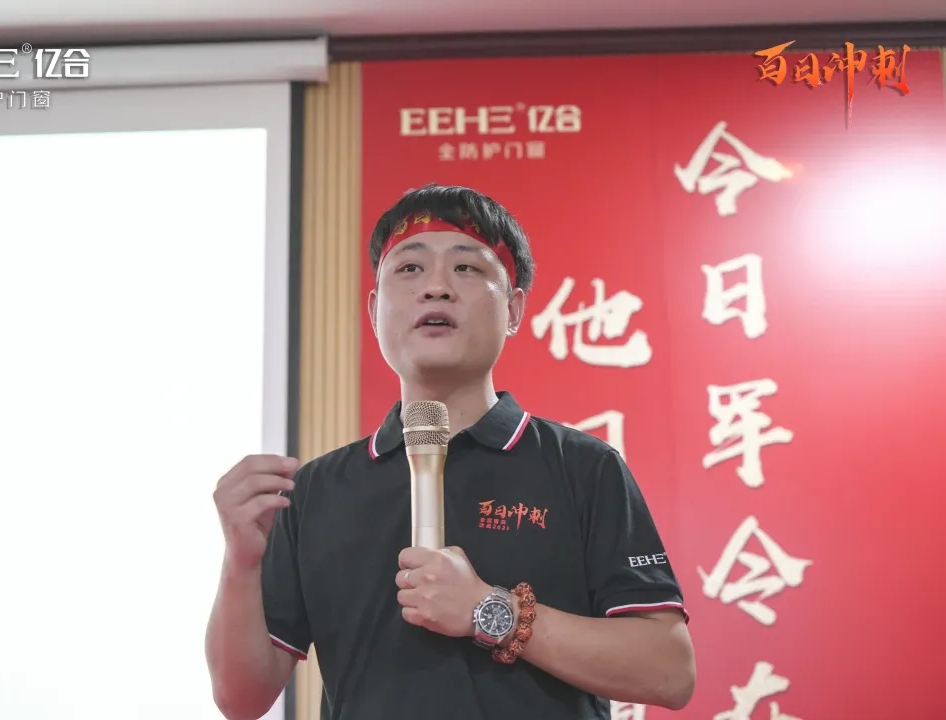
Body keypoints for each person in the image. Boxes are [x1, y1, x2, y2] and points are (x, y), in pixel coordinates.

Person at [205, 184, 695, 720]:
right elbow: (241, 700)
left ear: (513, 309)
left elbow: (669, 670)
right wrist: (240, 561)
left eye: (466, 268)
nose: (436, 287)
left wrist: (490, 610)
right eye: (409, 268)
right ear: (375, 309)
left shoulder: (583, 467)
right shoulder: (317, 490)